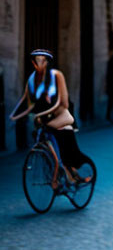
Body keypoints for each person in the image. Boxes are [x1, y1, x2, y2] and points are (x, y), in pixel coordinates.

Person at [10, 49, 89, 183]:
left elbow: (63, 103)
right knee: (45, 144)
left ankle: (69, 175)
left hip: (60, 116)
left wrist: (43, 113)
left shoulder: (56, 75)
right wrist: (13, 116)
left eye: (43, 60)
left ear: (47, 62)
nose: (39, 63)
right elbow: (26, 101)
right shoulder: (32, 79)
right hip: (42, 119)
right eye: (36, 60)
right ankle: (57, 172)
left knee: (63, 146)